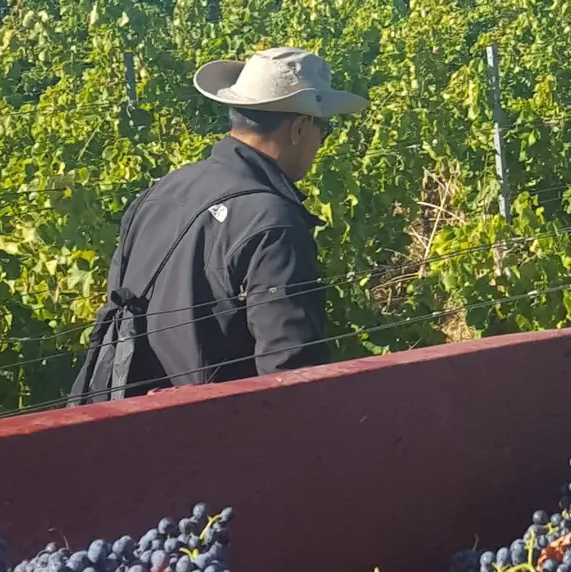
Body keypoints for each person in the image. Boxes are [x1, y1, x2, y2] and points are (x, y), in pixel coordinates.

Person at [70, 46, 366, 404]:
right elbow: (292, 377)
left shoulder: (158, 193)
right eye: (326, 129)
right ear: (300, 128)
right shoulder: (273, 223)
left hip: (132, 430)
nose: (321, 143)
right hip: (215, 438)